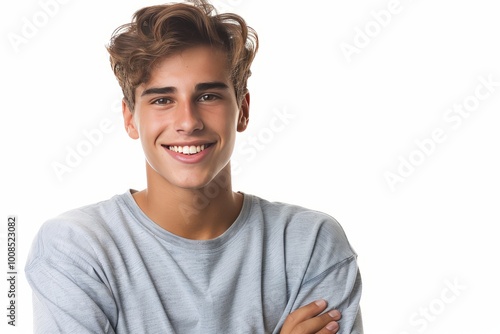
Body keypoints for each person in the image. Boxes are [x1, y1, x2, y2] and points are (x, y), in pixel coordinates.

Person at [25, 1, 363, 333]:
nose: (187, 122)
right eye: (162, 100)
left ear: (243, 110)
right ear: (130, 119)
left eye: (208, 96)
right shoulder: (76, 248)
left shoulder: (309, 244)